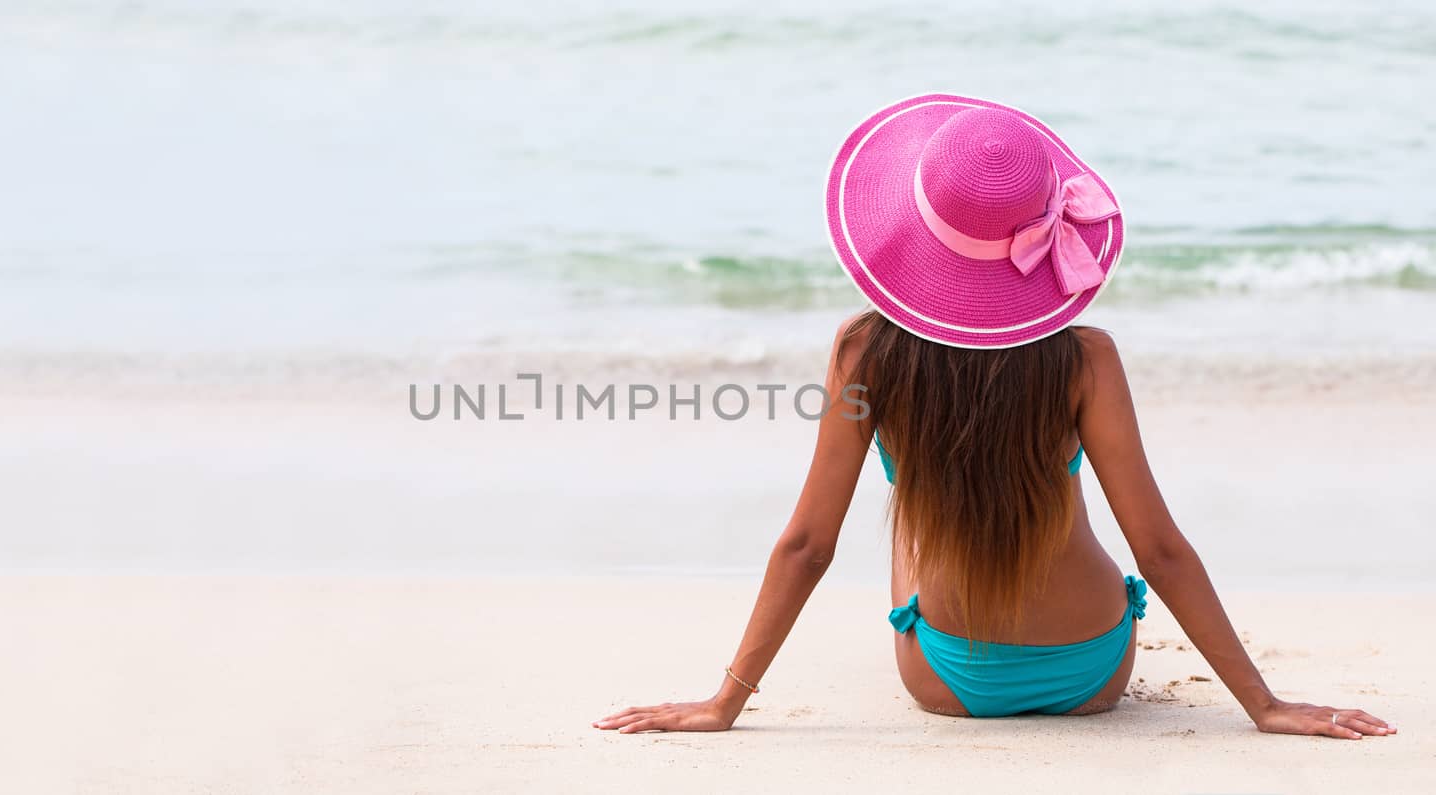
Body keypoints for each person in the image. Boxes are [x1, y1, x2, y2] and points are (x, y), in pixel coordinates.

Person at [593, 94, 1393, 738]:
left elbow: (808, 543)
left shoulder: (864, 351)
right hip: (1093, 672)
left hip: (950, 676)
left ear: (911, 227)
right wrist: (1264, 703)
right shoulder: (1087, 358)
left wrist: (723, 700)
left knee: (911, 513)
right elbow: (1160, 547)